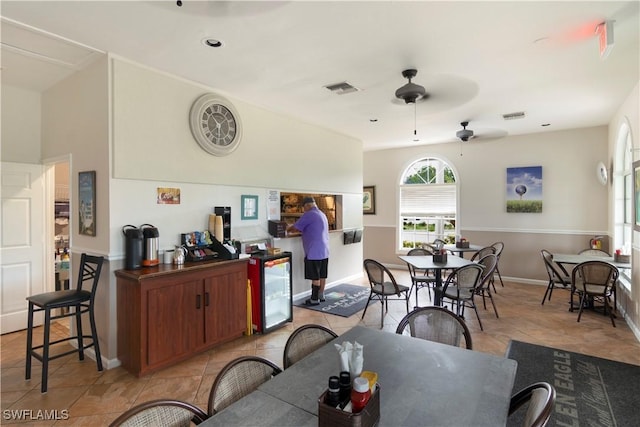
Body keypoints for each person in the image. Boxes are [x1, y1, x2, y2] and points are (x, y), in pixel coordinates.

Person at [287, 196, 329, 306]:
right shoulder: (322, 214)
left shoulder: (309, 214)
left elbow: (296, 228)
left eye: (303, 208)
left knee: (315, 276)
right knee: (322, 274)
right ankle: (321, 295)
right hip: (324, 250)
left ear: (307, 206)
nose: (303, 210)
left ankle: (314, 299)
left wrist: (286, 228)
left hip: (313, 251)